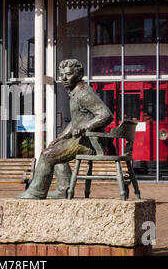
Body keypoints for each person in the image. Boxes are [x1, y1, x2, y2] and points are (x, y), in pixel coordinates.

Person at [15, 59, 113, 199]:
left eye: (68, 74)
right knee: (54, 149)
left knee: (47, 155)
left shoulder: (83, 93)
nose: (64, 78)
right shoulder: (75, 92)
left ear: (79, 75)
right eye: (62, 75)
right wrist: (61, 137)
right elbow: (75, 121)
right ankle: (64, 189)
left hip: (89, 142)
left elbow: (106, 115)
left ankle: (36, 192)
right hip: (81, 139)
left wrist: (85, 127)